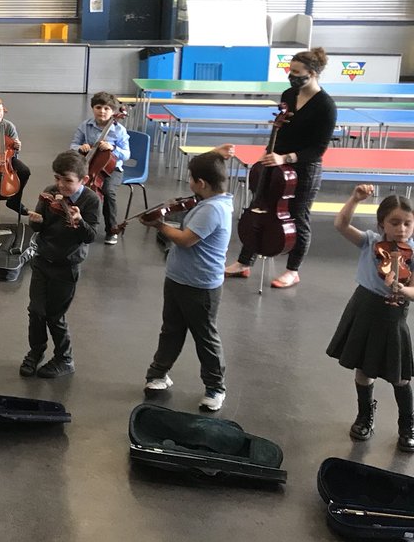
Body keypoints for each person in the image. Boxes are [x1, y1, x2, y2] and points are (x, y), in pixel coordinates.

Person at [226, 47, 336, 288]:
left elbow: (317, 149)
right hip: (277, 162)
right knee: (262, 208)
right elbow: (282, 130)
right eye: (290, 71)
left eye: (297, 72)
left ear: (313, 73)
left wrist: (284, 159)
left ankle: (292, 270)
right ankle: (245, 262)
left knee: (298, 217)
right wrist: (270, 151)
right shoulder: (289, 94)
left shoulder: (326, 106)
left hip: (305, 168)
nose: (292, 76)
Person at [141, 151, 233, 412]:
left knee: (205, 336)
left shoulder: (213, 209)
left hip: (201, 286)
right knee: (171, 329)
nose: (189, 182)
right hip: (178, 279)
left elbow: (185, 239)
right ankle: (158, 374)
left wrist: (159, 225)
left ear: (201, 183)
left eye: (191, 178)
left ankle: (215, 388)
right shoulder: (206, 202)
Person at [326, 185, 414, 451]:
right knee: (364, 370)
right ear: (381, 224)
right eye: (394, 222)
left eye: (407, 223)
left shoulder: (411, 252)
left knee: (400, 376)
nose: (401, 229)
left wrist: (403, 289)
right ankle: (365, 415)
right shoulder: (370, 241)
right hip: (364, 308)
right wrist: (354, 198)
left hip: (393, 315)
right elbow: (341, 224)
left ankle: (407, 423)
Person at [19, 151, 100, 379]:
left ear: (83, 180)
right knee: (35, 311)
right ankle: (35, 352)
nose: (60, 185)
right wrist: (36, 222)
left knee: (55, 316)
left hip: (66, 267)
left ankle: (65, 359)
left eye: (68, 181)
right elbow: (42, 227)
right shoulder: (50, 193)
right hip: (43, 260)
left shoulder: (90, 200)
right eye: (57, 178)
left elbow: (91, 236)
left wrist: (79, 221)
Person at [70, 90, 129, 246]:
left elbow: (126, 154)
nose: (102, 111)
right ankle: (78, 223)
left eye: (107, 108)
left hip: (112, 169)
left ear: (113, 111)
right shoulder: (85, 125)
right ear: (93, 108)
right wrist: (80, 148)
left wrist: (112, 148)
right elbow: (73, 145)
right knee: (75, 187)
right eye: (98, 107)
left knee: (108, 191)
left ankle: (111, 229)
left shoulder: (119, 130)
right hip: (89, 165)